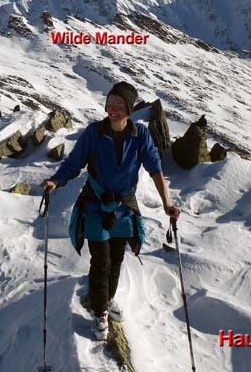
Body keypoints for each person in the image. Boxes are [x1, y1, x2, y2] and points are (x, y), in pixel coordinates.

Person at [41, 81, 180, 340]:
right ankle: (100, 311)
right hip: (94, 205)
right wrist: (55, 181)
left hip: (124, 208)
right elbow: (74, 163)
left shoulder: (140, 135)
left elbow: (155, 169)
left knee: (116, 259)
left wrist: (167, 203)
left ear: (129, 108)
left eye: (119, 105)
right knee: (101, 261)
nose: (113, 109)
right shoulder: (94, 133)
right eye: (110, 104)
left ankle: (106, 298)